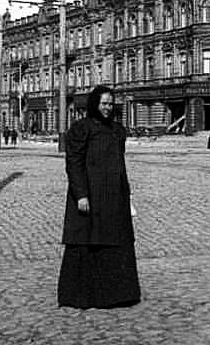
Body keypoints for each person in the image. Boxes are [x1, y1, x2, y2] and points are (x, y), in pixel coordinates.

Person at [58, 85, 141, 309]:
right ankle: (84, 295)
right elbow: (73, 164)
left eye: (110, 104)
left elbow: (120, 165)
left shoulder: (117, 130)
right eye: (103, 103)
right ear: (94, 104)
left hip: (115, 196)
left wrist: (127, 195)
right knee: (88, 241)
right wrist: (81, 195)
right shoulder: (81, 129)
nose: (107, 108)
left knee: (115, 240)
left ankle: (118, 295)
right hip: (90, 196)